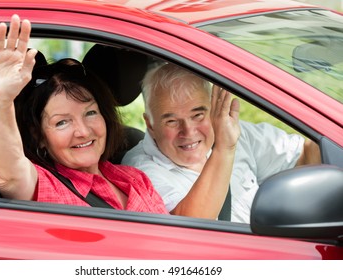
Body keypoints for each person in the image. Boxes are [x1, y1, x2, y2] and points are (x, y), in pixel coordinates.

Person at [0, 15, 238, 219]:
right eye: (62, 122)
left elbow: (179, 237)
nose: (83, 131)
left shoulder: (132, 179)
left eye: (90, 113)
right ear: (39, 136)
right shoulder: (48, 187)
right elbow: (11, 176)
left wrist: (224, 145)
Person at [122, 63, 321, 223]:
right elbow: (188, 228)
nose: (189, 132)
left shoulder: (230, 132)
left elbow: (306, 154)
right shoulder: (139, 170)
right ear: (150, 124)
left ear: (213, 110)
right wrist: (225, 149)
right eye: (172, 121)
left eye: (198, 115)